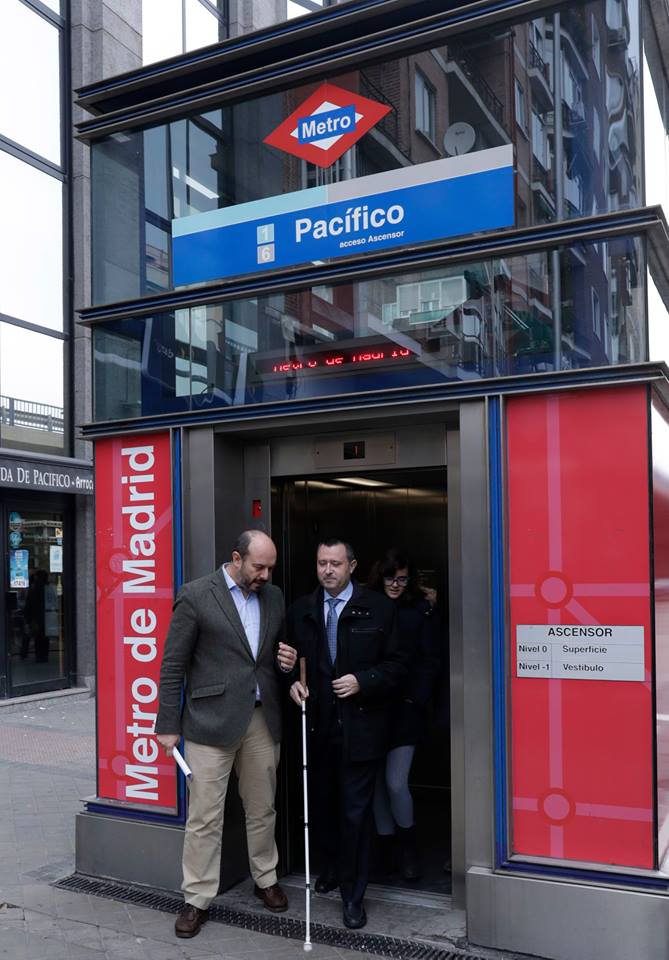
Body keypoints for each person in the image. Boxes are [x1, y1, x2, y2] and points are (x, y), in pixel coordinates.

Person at [155, 530, 297, 939]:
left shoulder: (274, 597)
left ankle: (265, 878)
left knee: (263, 808)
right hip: (209, 723)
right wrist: (167, 724)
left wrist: (287, 661)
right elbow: (173, 664)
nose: (265, 575)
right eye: (259, 567)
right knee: (204, 817)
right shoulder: (196, 595)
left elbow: (272, 657)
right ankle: (196, 899)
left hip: (261, 719)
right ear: (236, 558)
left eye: (270, 568)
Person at [288, 539, 407, 930]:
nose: (327, 570)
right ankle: (334, 868)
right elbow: (288, 661)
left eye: (335, 563)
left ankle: (353, 896)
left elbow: (398, 666)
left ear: (352, 566)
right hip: (317, 728)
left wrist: (363, 681)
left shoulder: (380, 608)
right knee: (323, 807)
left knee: (355, 814)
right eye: (321, 562)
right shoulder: (301, 609)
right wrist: (291, 681)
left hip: (362, 729)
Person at [368, 548, 440, 881]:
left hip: (405, 708)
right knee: (376, 785)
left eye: (402, 579)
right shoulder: (367, 605)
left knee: (396, 783)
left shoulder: (420, 609)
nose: (395, 585)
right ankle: (386, 848)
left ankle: (407, 846)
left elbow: (430, 659)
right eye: (390, 578)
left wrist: (415, 699)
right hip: (371, 705)